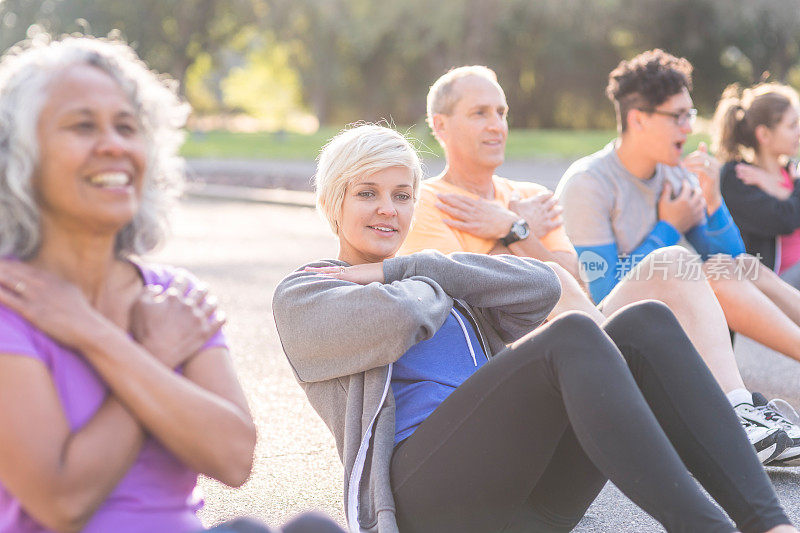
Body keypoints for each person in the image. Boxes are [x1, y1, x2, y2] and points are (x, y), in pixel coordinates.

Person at [272, 123, 798, 533]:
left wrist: (407, 265)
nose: (388, 209)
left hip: (528, 500)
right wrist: (426, 277)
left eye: (403, 195)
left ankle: (767, 522)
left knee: (644, 323)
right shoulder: (307, 292)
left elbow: (542, 286)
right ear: (333, 201)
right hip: (428, 506)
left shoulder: (420, 273)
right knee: (571, 338)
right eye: (368, 193)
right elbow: (399, 320)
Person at [399, 65, 797, 464]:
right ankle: (721, 419)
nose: (496, 125)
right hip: (521, 361)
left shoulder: (531, 196)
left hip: (590, 332)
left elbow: (578, 284)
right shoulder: (431, 203)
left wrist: (515, 231)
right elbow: (469, 299)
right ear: (440, 124)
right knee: (664, 267)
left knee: (694, 263)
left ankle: (738, 412)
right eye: (480, 113)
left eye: (502, 112)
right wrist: (517, 231)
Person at [0, 36, 257, 532]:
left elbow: (233, 457)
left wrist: (92, 334)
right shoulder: (10, 302)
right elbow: (62, 503)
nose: (114, 145)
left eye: (126, 126)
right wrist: (156, 353)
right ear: (20, 160)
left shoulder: (175, 297)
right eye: (82, 126)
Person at [555, 49, 800, 461]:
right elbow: (601, 294)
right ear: (638, 118)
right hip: (601, 344)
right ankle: (740, 413)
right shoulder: (588, 184)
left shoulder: (674, 174)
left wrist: (713, 201)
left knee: (731, 267)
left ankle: (743, 414)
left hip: (668, 335)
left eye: (691, 113)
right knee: (679, 262)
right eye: (678, 116)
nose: (690, 126)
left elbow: (736, 263)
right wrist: (669, 225)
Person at [713, 82, 800, 288]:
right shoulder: (738, 177)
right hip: (774, 285)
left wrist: (777, 188)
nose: (799, 131)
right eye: (792, 125)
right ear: (764, 135)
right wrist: (788, 190)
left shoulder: (791, 171)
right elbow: (785, 219)